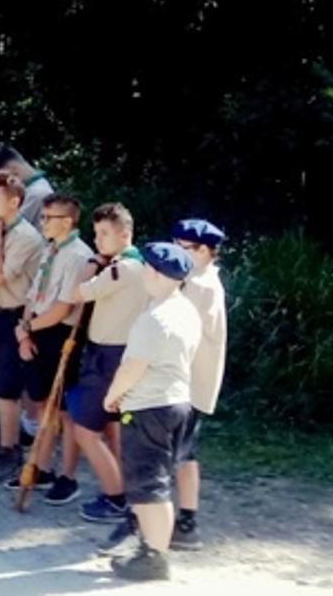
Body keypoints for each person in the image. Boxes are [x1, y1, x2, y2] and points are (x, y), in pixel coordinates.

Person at [101, 242, 202, 582]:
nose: (144, 272)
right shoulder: (185, 309)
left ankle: (155, 557)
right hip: (178, 400)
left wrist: (112, 396)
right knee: (158, 479)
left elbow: (132, 367)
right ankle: (151, 547)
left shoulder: (154, 318)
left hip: (149, 406)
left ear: (157, 274)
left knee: (148, 484)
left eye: (147, 267)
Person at [64, 204, 147, 520]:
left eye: (104, 234)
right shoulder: (142, 267)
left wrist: (92, 264)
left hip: (107, 358)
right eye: (96, 234)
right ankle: (126, 494)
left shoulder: (120, 269)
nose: (98, 241)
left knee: (86, 431)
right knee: (114, 427)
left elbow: (77, 293)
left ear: (125, 234)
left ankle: (115, 497)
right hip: (122, 355)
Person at [11, 194, 94, 496]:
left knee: (64, 410)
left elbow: (63, 308)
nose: (43, 222)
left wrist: (27, 327)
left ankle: (68, 476)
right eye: (43, 217)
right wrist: (24, 330)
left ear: (68, 221)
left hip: (60, 333)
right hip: (36, 330)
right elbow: (33, 296)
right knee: (44, 405)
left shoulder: (78, 256)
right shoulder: (51, 250)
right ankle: (40, 467)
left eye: (50, 218)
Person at [0, 174, 45, 482]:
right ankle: (3, 442)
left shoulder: (26, 237)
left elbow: (1, 274)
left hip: (14, 313)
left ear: (15, 202)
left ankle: (10, 450)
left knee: (8, 387)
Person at [172, 218, 228, 550]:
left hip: (187, 382)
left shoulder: (200, 285)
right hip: (185, 380)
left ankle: (182, 521)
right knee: (182, 451)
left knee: (179, 451)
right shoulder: (194, 278)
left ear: (205, 251)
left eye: (184, 248)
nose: (176, 252)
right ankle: (183, 518)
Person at [0, 146, 56, 228]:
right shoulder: (35, 188)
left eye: (4, 178)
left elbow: (7, 225)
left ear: (12, 169)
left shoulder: (36, 193)